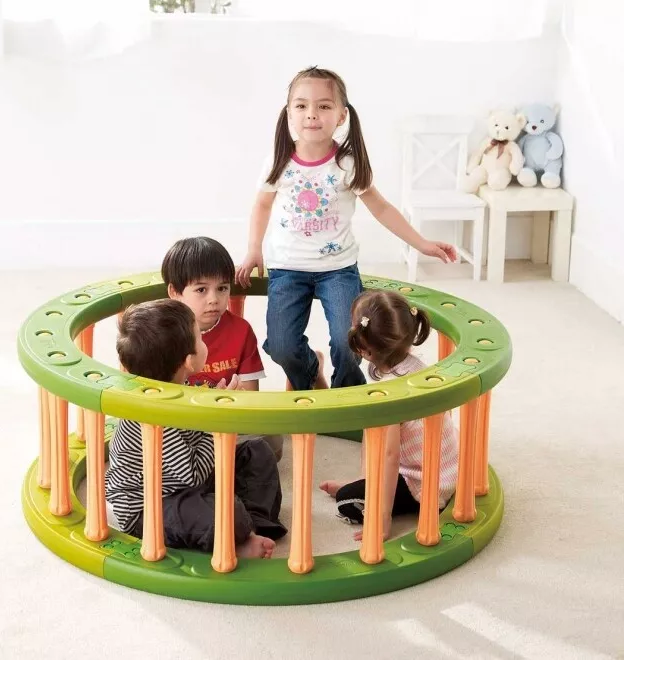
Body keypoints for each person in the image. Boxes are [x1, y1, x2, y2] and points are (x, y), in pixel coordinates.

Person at [236, 66, 457, 393]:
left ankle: (347, 395)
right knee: (281, 345)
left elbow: (381, 207)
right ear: (289, 113)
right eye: (301, 105)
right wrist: (253, 249)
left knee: (350, 342)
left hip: (337, 269)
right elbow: (262, 205)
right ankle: (311, 374)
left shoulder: (347, 162)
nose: (312, 114)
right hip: (287, 267)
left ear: (341, 116)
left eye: (324, 106)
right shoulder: (279, 159)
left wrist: (421, 243)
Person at [105, 299, 286, 558]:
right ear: (189, 361)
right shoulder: (156, 415)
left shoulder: (178, 386)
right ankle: (237, 533)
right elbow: (194, 475)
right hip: (151, 506)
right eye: (200, 338)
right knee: (224, 512)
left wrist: (212, 407)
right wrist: (217, 422)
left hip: (184, 482)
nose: (205, 342)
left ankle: (253, 527)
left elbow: (195, 456)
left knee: (257, 452)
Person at [319, 290, 459, 539]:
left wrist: (381, 518)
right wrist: (365, 479)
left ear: (363, 348)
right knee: (371, 434)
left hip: (426, 486)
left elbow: (389, 457)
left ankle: (366, 493)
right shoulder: (416, 368)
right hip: (447, 468)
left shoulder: (388, 396)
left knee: (346, 500)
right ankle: (363, 481)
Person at [162, 235, 283, 461]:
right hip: (180, 424)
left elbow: (250, 397)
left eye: (222, 288)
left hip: (227, 419)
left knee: (271, 439)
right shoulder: (163, 332)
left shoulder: (241, 331)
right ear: (175, 292)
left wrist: (230, 400)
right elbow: (158, 396)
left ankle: (218, 460)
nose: (214, 299)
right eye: (201, 290)